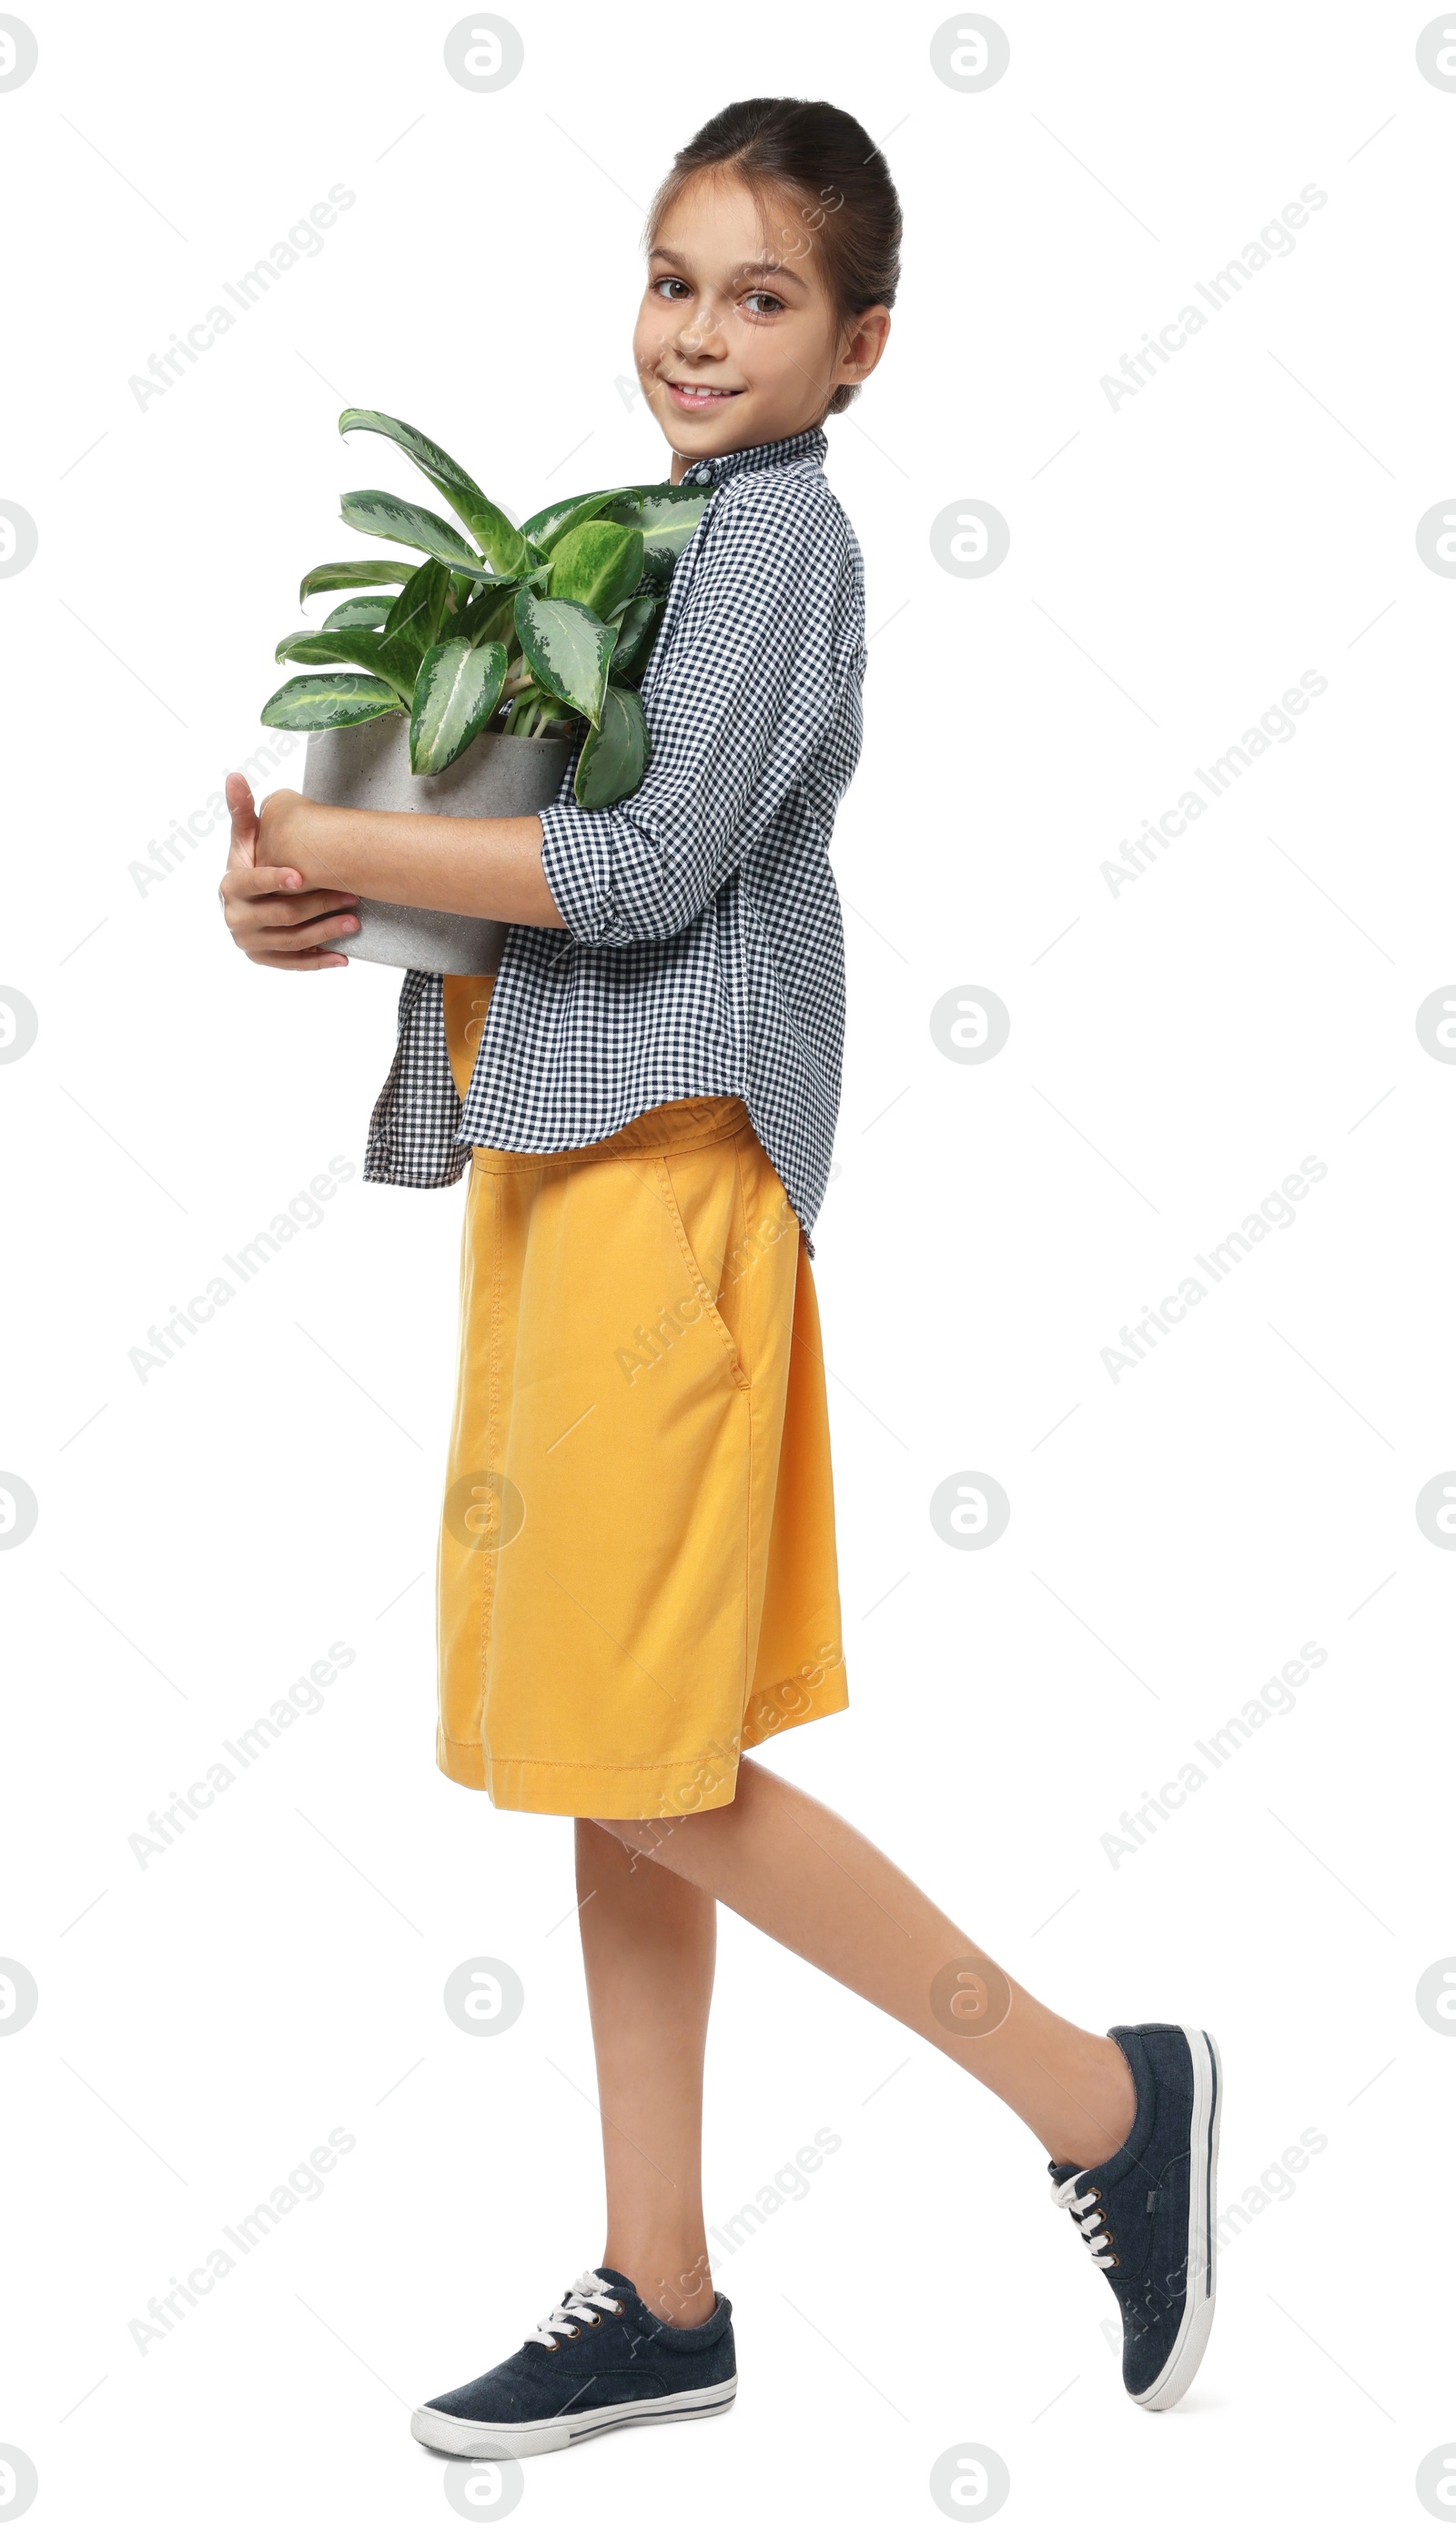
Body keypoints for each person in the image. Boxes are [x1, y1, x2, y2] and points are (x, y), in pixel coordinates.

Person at [220, 96, 1220, 2460]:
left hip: (674, 1180)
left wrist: (337, 836)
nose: (702, 331)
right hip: (576, 1163)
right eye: (676, 281)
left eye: (762, 298)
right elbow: (519, 840)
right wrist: (340, 889)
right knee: (612, 1747)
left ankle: (1097, 2096)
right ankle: (661, 2278)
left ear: (861, 345)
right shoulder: (656, 534)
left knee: (652, 1759)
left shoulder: (779, 538)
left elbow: (657, 864)